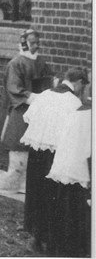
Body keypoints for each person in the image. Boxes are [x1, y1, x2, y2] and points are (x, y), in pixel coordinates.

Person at [19, 67, 87, 254]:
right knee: (54, 197)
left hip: (36, 153)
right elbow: (75, 134)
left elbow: (30, 120)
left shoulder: (44, 95)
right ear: (79, 83)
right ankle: (50, 239)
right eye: (84, 86)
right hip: (56, 155)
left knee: (35, 192)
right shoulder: (73, 102)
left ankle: (35, 236)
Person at [0, 29, 53, 193]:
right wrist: (34, 97)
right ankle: (7, 183)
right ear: (24, 44)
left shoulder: (41, 63)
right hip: (20, 110)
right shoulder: (15, 64)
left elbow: (48, 81)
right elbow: (14, 88)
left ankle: (28, 184)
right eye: (32, 43)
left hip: (38, 111)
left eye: (38, 43)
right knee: (16, 143)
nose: (36, 46)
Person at [44, 74, 91, 257]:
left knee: (66, 207)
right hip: (76, 169)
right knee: (75, 211)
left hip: (65, 167)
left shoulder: (78, 111)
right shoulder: (82, 112)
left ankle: (59, 245)